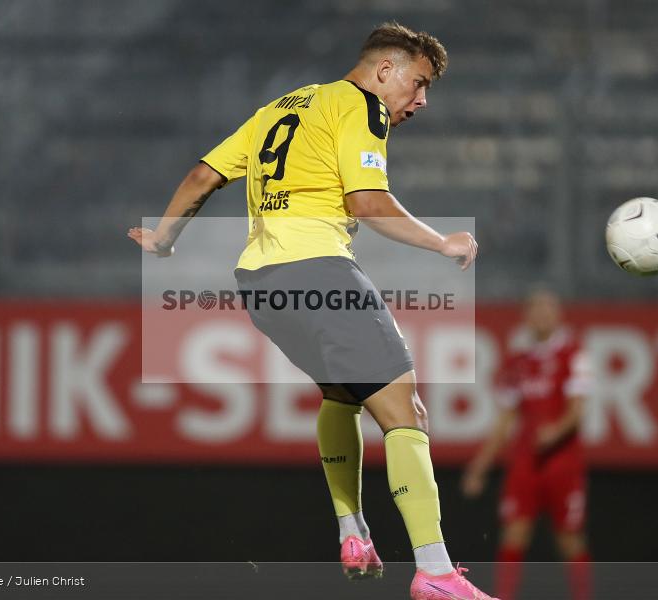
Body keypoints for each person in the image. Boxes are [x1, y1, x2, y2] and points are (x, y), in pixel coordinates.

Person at [129, 21, 497, 600]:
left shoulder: (278, 108)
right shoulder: (360, 106)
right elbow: (367, 202)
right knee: (407, 414)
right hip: (318, 269)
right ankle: (436, 573)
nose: (421, 100)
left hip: (260, 284)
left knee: (341, 395)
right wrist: (442, 241)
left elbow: (204, 175)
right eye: (419, 83)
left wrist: (165, 238)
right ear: (384, 71)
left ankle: (353, 533)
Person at [462, 288, 592, 600]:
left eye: (547, 310)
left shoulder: (574, 354)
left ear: (558, 315)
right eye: (536, 310)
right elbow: (505, 420)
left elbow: (577, 411)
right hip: (525, 461)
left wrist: (555, 431)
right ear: (527, 318)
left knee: (569, 538)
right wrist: (479, 467)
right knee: (513, 535)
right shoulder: (517, 362)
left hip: (563, 462)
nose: (542, 316)